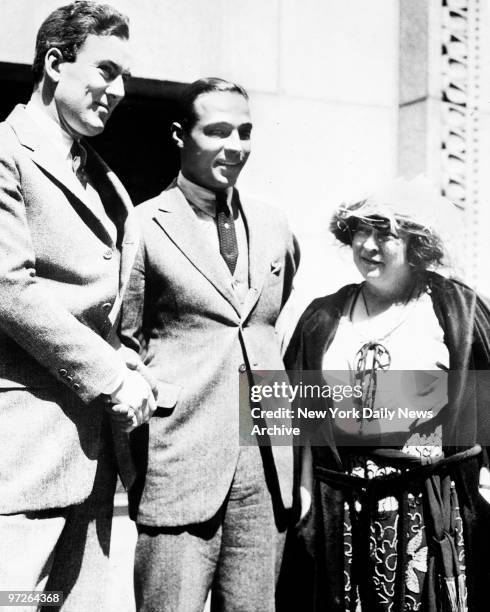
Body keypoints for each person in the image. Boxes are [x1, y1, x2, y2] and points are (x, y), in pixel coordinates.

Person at [120, 77, 300, 612]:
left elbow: (268, 325)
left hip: (266, 469)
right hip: (179, 467)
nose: (235, 146)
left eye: (244, 132)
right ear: (181, 136)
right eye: (217, 131)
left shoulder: (273, 224)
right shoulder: (147, 224)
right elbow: (124, 341)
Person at [0, 2, 156, 609]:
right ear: (55, 62)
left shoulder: (101, 176)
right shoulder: (7, 153)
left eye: (124, 79)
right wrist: (111, 374)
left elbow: (103, 302)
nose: (117, 92)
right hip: (25, 454)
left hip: (93, 461)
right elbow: (10, 289)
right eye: (106, 72)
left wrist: (126, 358)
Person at [283, 177, 490, 612]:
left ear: (414, 241)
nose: (370, 245)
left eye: (385, 233)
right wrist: (301, 493)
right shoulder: (322, 315)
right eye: (361, 230)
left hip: (430, 503)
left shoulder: (456, 308)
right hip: (340, 507)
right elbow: (292, 415)